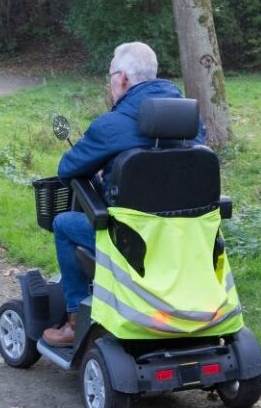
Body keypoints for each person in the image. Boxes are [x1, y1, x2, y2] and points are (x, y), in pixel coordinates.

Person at [42, 41, 206, 346]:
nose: (109, 83)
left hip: (133, 247)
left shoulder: (110, 126)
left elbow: (67, 169)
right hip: (187, 244)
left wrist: (104, 172)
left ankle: (75, 317)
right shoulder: (192, 123)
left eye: (110, 76)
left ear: (124, 79)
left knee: (64, 224)